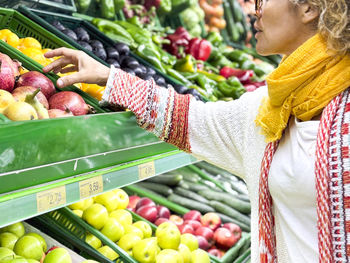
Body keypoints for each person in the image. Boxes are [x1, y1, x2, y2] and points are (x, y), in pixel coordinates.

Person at [43, 0, 350, 261]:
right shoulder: (272, 107)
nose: (254, 10)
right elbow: (191, 119)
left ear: (308, 8)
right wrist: (108, 77)